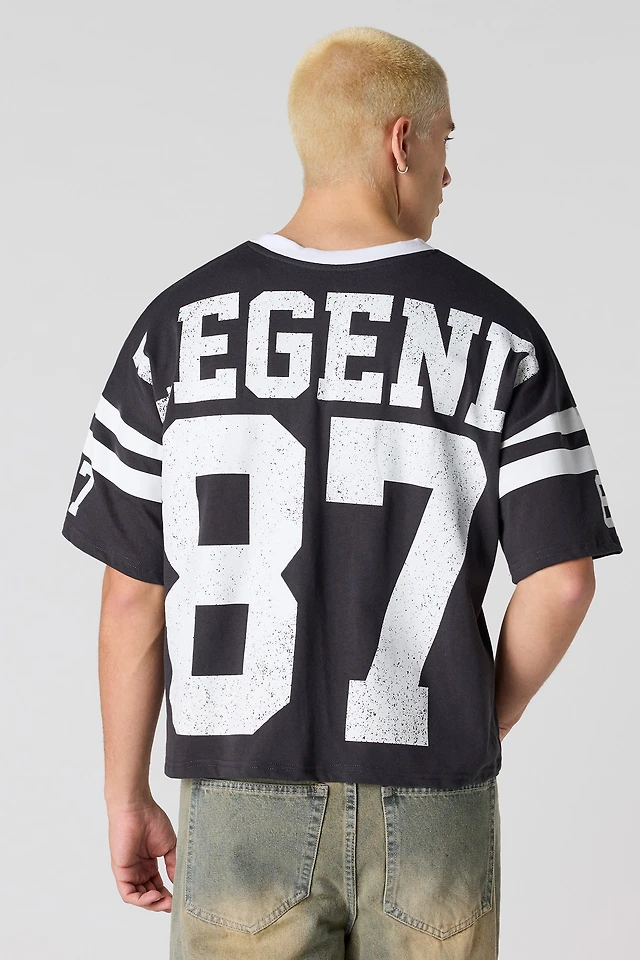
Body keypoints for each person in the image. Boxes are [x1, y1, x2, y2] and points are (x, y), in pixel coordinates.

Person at [61, 25, 623, 960]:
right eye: (444, 140)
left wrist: (126, 796)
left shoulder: (176, 329)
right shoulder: (499, 334)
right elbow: (563, 582)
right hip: (432, 800)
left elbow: (131, 596)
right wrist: (483, 714)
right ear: (402, 141)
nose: (448, 171)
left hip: (237, 793)